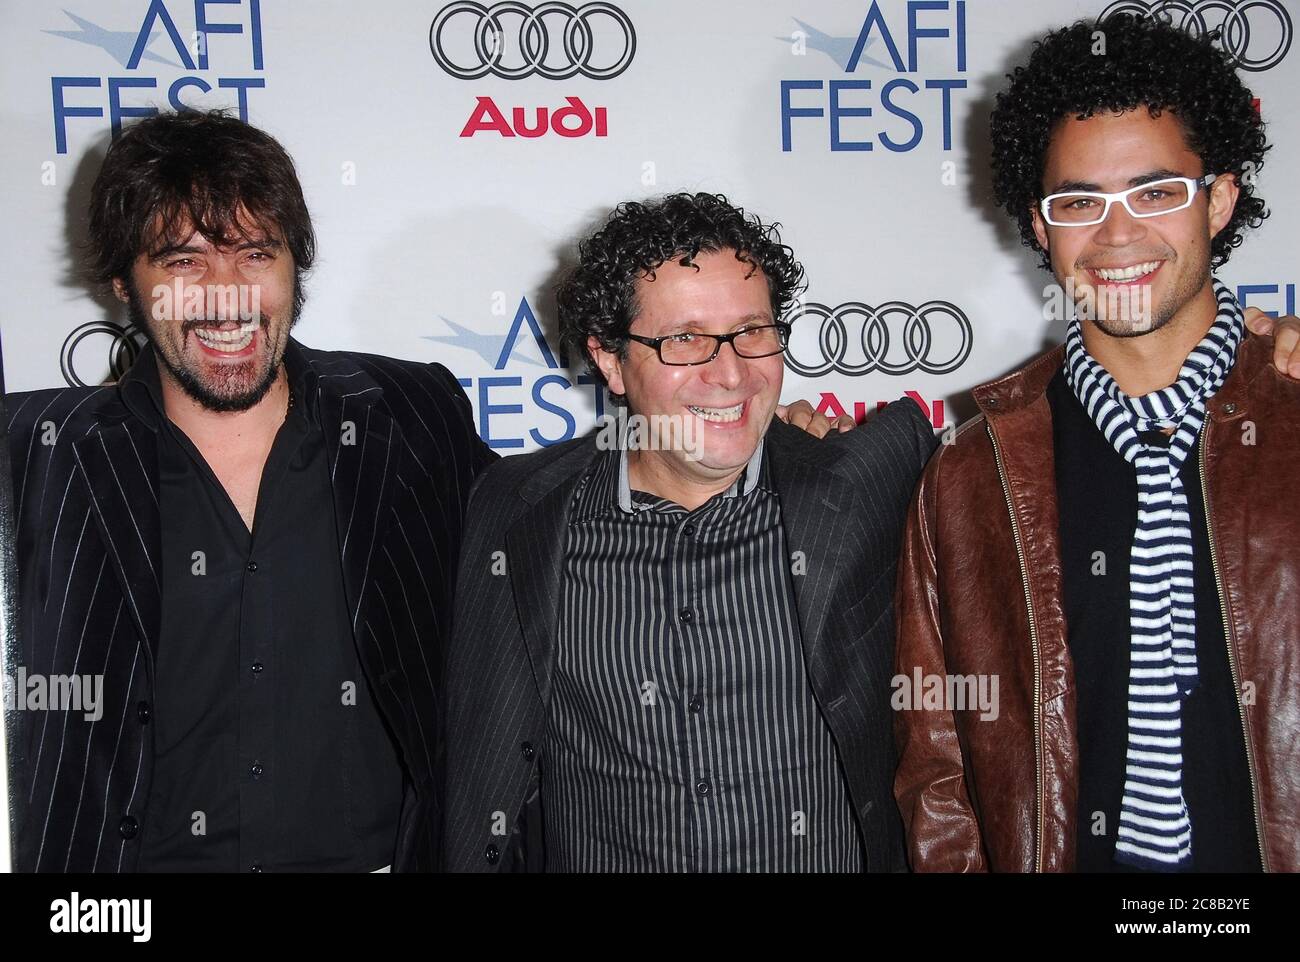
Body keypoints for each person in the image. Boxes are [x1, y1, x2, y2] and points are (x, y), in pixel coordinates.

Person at [5, 110, 495, 871]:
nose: (227, 297)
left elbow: (547, 545)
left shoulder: (412, 416)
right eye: (183, 262)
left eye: (255, 254)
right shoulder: (32, 455)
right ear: (121, 284)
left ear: (294, 268)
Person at [894, 13, 1299, 872]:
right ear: (1041, 227)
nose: (1117, 236)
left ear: (1219, 200)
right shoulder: (976, 473)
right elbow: (940, 768)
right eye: (1079, 202)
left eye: (1156, 193)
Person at [442, 192, 938, 872]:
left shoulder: (874, 480)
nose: (730, 372)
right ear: (611, 361)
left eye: (753, 332)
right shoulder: (517, 510)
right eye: (686, 340)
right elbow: (481, 763)